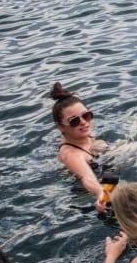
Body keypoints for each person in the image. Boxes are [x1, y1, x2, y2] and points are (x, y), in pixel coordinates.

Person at [50, 82, 116, 213]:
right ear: (61, 127)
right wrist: (100, 193)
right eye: (74, 121)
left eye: (86, 116)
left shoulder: (85, 136)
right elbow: (86, 177)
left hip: (104, 171)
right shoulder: (71, 154)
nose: (83, 122)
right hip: (85, 191)